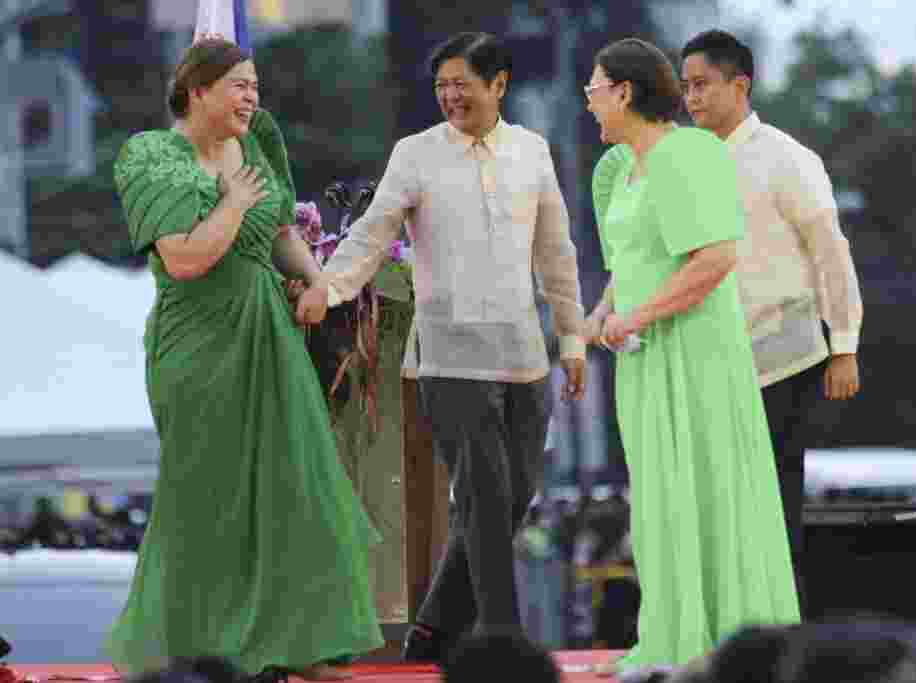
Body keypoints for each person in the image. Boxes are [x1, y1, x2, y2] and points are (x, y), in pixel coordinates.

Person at [108, 38, 383, 678]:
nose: (252, 98)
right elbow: (184, 258)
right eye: (238, 85)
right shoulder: (151, 157)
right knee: (209, 496)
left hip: (270, 333)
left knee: (300, 485)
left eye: (255, 85)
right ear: (197, 90)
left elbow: (282, 225)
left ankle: (299, 644)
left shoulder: (256, 140)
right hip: (197, 345)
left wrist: (318, 282)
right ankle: (209, 654)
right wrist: (231, 200)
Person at [311, 32, 587, 661]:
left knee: (516, 497)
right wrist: (327, 291)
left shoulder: (533, 152)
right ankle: (500, 643)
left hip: (524, 354)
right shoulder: (416, 154)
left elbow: (556, 251)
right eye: (441, 86)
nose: (450, 95)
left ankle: (433, 629)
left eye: (463, 83)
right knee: (485, 498)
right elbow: (373, 231)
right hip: (449, 355)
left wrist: (572, 336)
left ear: (499, 85)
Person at [584, 38, 800, 672]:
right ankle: (672, 636)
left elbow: (715, 257)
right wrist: (603, 313)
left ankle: (730, 645)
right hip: (642, 353)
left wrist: (636, 316)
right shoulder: (616, 169)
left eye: (594, 89)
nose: (590, 104)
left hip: (696, 348)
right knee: (658, 498)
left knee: (708, 489)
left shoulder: (690, 152)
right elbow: (631, 261)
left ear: (624, 92)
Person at [678, 29, 864, 606]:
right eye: (685, 87)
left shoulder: (787, 158)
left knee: (771, 503)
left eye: (703, 85)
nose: (692, 98)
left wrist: (845, 345)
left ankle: (781, 631)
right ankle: (727, 629)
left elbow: (831, 253)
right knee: (713, 506)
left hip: (783, 355)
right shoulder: (683, 160)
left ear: (741, 85)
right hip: (707, 356)